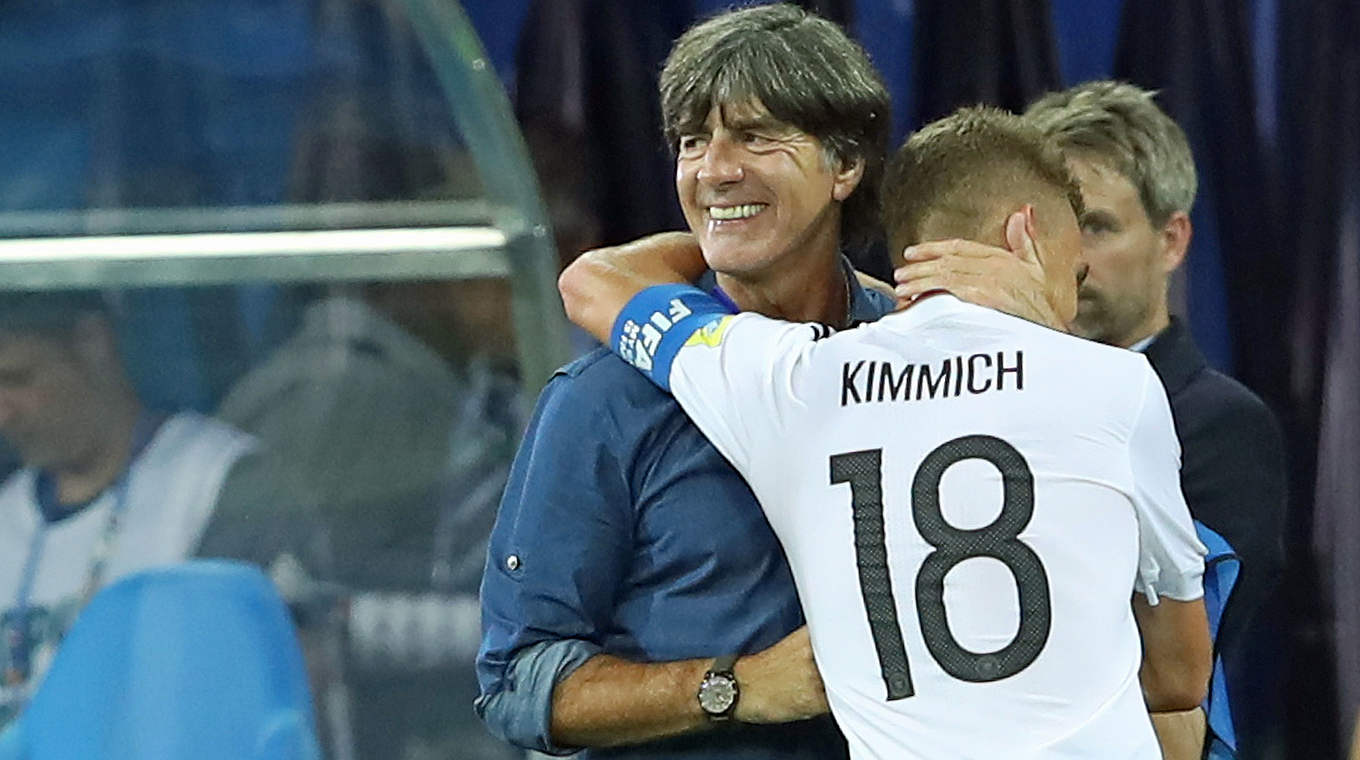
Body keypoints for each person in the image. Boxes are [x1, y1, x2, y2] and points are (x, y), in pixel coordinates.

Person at [475, 6, 1063, 758]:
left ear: (845, 166)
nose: (714, 168)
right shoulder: (604, 401)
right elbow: (517, 679)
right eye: (693, 142)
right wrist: (737, 687)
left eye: (755, 136)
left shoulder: (927, 357)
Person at [558, 105, 1212, 759]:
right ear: (1024, 236)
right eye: (1072, 276)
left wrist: (749, 235)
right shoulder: (1114, 385)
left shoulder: (792, 382)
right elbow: (1180, 678)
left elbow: (593, 283)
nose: (1068, 307)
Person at [1022, 80, 1288, 755]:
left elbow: (1165, 660)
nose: (1070, 257)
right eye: (1046, 225)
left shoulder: (1220, 424)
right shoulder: (969, 403)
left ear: (1172, 240)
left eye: (1098, 226)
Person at [0, 290, 319, 727]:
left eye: (17, 379)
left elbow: (241, 691)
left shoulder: (216, 480)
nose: (4, 412)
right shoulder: (9, 507)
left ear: (94, 343)